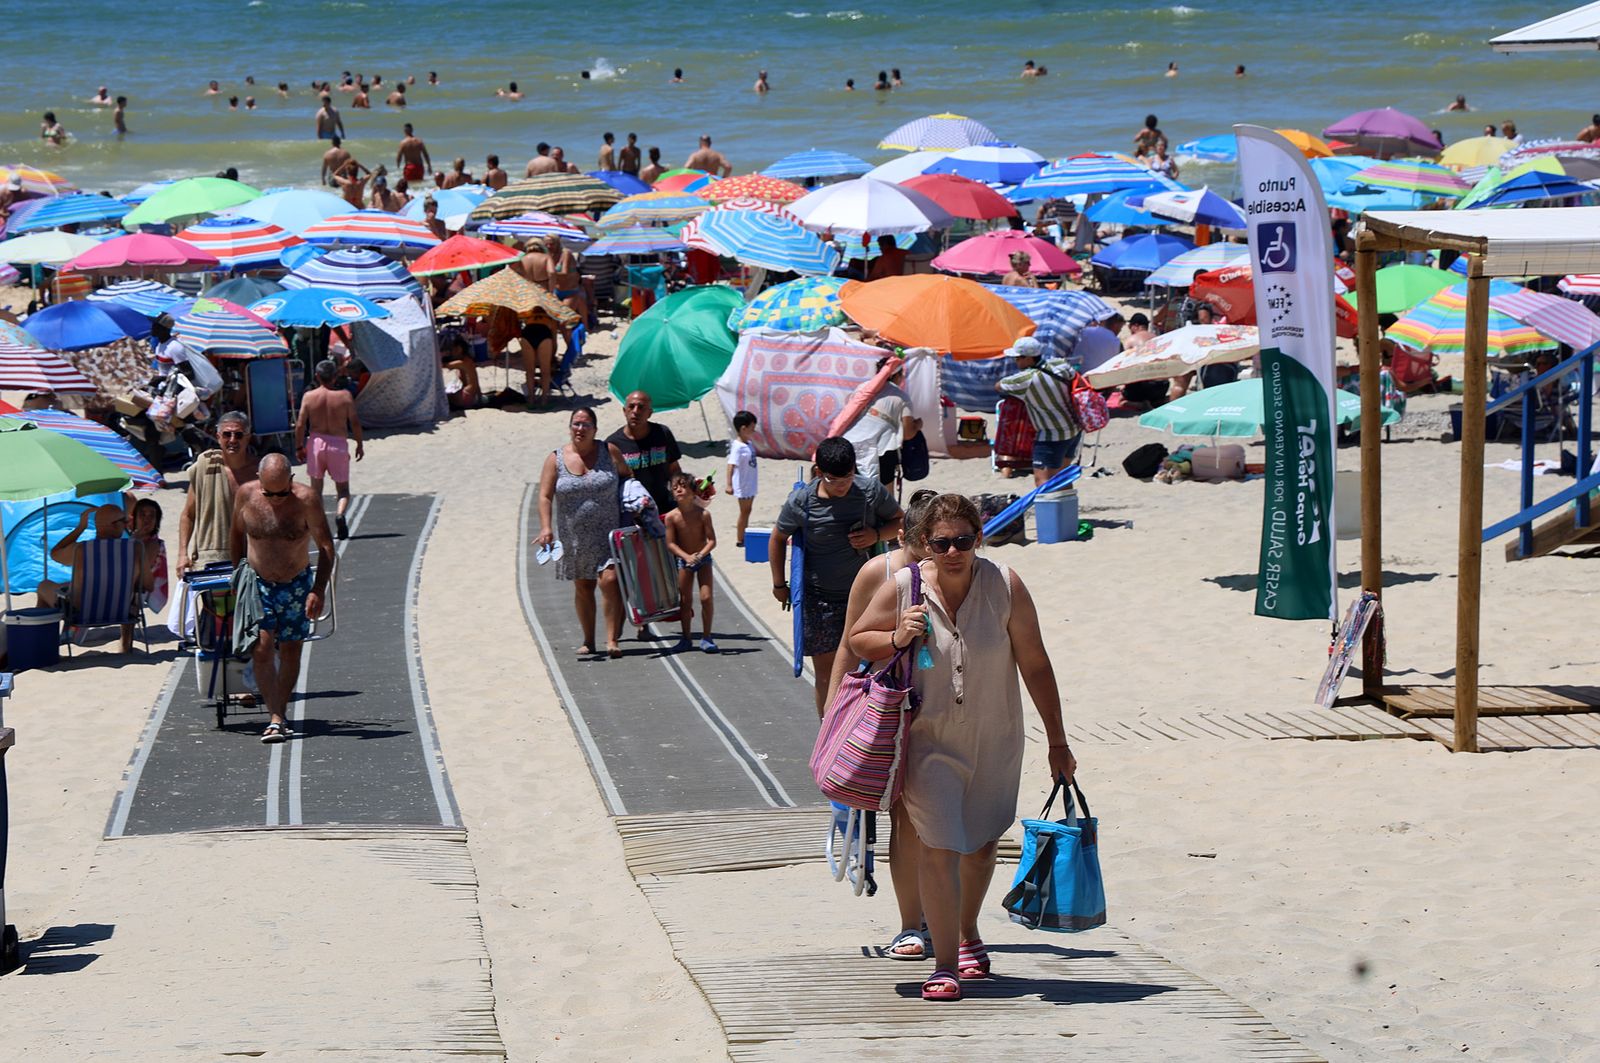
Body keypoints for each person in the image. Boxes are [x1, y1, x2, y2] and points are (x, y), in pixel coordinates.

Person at [849, 493, 1074, 1002]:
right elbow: (860, 638)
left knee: (981, 845)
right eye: (942, 542)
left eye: (964, 540)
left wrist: (1057, 740)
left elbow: (1035, 663)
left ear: (979, 537)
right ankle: (944, 963)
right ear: (923, 544)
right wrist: (896, 637)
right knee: (939, 844)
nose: (954, 551)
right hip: (928, 741)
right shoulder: (904, 586)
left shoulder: (1005, 584)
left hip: (996, 739)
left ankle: (969, 931)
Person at [822, 487, 938, 959]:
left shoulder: (955, 572)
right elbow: (850, 644)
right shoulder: (881, 571)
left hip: (945, 709)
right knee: (905, 816)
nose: (940, 548)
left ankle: (941, 919)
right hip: (892, 708)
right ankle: (914, 922)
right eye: (931, 537)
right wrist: (833, 716)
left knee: (941, 816)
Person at [768, 436, 904, 716]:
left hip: (865, 598)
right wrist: (779, 584)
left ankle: (857, 728)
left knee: (867, 669)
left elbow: (900, 523)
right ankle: (828, 731)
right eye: (835, 480)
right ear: (819, 473)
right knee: (828, 675)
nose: (843, 486)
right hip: (820, 600)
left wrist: (875, 535)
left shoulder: (869, 492)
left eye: (848, 478)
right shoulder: (802, 502)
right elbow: (778, 538)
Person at [229, 454, 336, 744]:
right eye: (269, 492)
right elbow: (236, 538)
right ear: (259, 482)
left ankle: (281, 711)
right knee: (262, 648)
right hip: (258, 584)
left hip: (296, 586)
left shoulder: (306, 500)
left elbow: (326, 548)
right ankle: (275, 718)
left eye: (282, 492)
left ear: (291, 481)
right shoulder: (245, 495)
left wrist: (318, 589)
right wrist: (238, 577)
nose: (276, 499)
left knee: (290, 650)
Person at [534, 408, 632, 658]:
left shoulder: (609, 452)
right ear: (570, 428)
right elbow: (545, 496)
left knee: (610, 581)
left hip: (609, 533)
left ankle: (612, 639)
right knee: (583, 587)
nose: (580, 429)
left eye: (586, 424)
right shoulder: (555, 459)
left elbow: (628, 476)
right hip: (574, 536)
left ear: (595, 429)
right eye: (576, 424)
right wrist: (546, 527)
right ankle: (589, 640)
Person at [36, 504, 149, 652]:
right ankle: (125, 645)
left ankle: (44, 646)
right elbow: (148, 585)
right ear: (112, 525)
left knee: (44, 586)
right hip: (123, 611)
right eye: (124, 521)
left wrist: (80, 528)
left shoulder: (81, 550)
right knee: (131, 594)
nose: (127, 525)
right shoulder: (135, 549)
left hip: (82, 613)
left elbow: (55, 554)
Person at [178, 411, 260, 580]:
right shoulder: (205, 466)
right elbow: (188, 514)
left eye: (238, 435)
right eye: (227, 434)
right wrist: (182, 553)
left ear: (247, 437)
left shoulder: (260, 471)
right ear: (218, 436)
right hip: (213, 560)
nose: (232, 440)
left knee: (250, 606)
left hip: (254, 558)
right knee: (215, 607)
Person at [997, 335, 1083, 486]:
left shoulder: (1027, 379)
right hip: (1074, 428)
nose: (1015, 361)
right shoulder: (1059, 364)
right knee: (1062, 478)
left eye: (1017, 358)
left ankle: (1050, 510)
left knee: (1043, 481)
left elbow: (999, 386)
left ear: (1028, 358)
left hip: (1051, 434)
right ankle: (1067, 509)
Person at [295, 359, 365, 540]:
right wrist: (359, 443)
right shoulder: (345, 396)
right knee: (342, 490)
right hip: (338, 444)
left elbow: (300, 424)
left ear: (317, 376)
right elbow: (355, 422)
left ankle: (320, 525)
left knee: (316, 489)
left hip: (317, 443)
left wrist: (299, 446)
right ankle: (340, 514)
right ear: (335, 376)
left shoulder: (309, 397)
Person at [663, 473, 718, 653]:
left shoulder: (703, 514)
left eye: (683, 486)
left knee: (706, 597)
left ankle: (707, 637)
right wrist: (686, 557)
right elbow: (670, 543)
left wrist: (700, 555)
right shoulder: (672, 517)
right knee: (685, 601)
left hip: (703, 560)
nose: (679, 490)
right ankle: (686, 638)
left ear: (693, 491)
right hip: (684, 561)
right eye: (675, 487)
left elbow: (711, 541)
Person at [845, 356, 919, 485]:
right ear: (898, 375)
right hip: (882, 449)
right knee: (884, 497)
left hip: (849, 444)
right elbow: (908, 434)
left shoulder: (862, 388)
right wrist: (918, 425)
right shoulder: (900, 396)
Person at [607, 391, 682, 516]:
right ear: (624, 411)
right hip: (633, 515)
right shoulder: (612, 445)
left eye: (641, 407)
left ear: (650, 413)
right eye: (631, 407)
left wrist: (684, 491)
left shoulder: (662, 433)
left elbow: (674, 469)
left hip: (666, 508)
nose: (635, 411)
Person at [130, 497, 170, 618]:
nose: (147, 519)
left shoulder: (154, 544)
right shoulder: (127, 538)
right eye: (142, 515)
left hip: (139, 586)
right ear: (135, 519)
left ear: (156, 521)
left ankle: (126, 636)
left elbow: (141, 567)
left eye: (151, 516)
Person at [725, 411, 759, 548]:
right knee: (744, 511)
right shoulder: (737, 447)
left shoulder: (748, 443)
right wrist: (728, 484)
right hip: (743, 484)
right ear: (743, 428)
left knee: (747, 510)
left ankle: (743, 535)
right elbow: (730, 465)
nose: (754, 431)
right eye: (752, 428)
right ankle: (740, 539)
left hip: (750, 482)